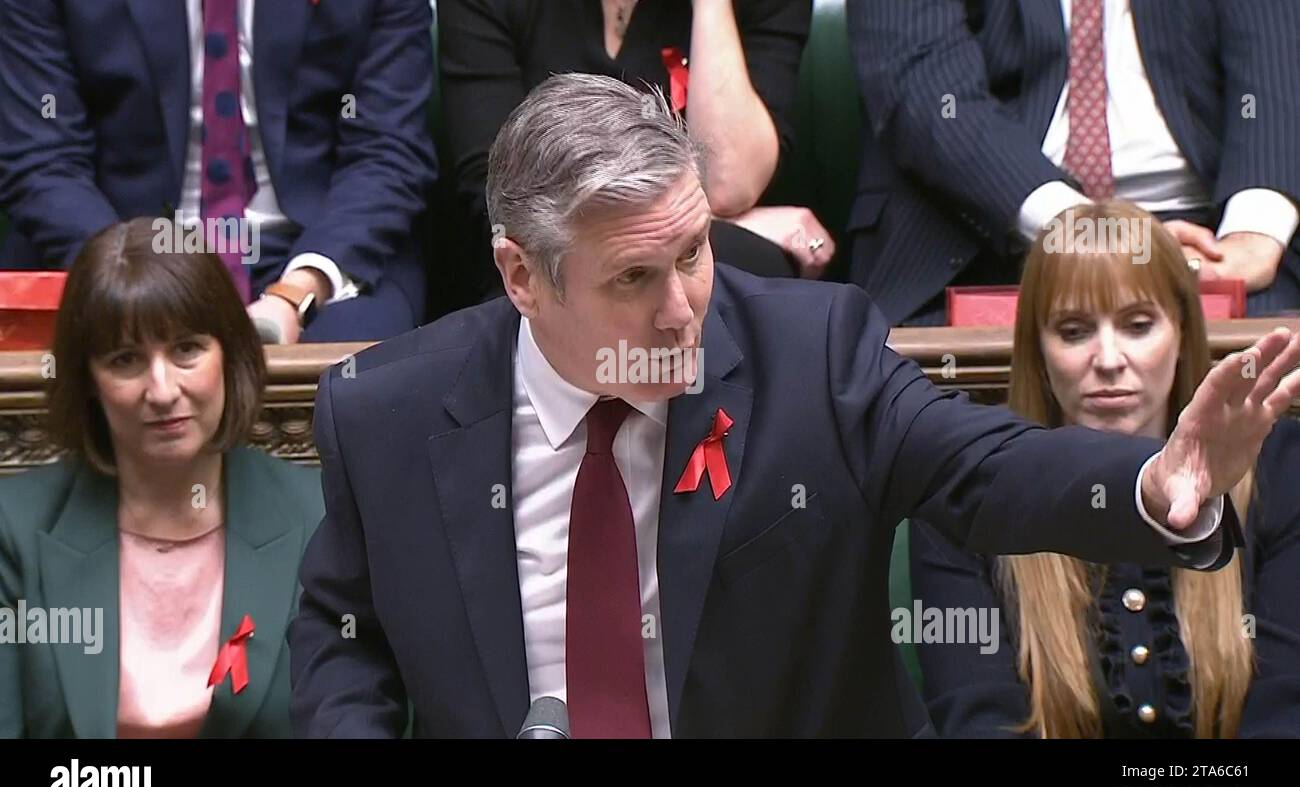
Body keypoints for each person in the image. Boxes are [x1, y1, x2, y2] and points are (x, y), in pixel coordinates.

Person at [287, 74, 1300, 739]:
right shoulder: (388, 411)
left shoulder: (815, 355)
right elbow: (342, 632)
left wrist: (1155, 483)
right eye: (635, 277)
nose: (685, 307)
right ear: (521, 275)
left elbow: (980, 469)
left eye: (694, 252)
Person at [909, 202, 1300, 738]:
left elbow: (1286, 713)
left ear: (1183, 332)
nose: (1109, 358)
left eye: (1138, 325)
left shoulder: (1280, 465)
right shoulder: (965, 488)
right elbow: (979, 721)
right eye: (1073, 331)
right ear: (1039, 353)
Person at [0, 219, 324, 738]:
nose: (162, 389)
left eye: (186, 350)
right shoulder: (12, 530)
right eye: (125, 360)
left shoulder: (319, 520)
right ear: (89, 381)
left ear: (230, 355)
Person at [0, 0, 438, 342]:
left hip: (319, 246)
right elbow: (44, 158)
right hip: (119, 239)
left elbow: (387, 150)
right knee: (94, 366)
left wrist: (297, 291)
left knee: (360, 387)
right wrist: (135, 281)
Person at [847, 0, 1300, 325]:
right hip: (983, 232)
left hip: (1209, 236)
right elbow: (924, 88)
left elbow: (1275, 61)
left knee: (1276, 382)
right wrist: (1092, 231)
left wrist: (1253, 233)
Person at [437, 0, 833, 311]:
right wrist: (710, 223)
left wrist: (710, 5)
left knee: (733, 271)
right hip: (546, 268)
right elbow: (500, 192)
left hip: (717, 270)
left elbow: (729, 182)